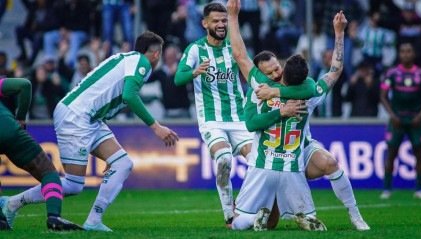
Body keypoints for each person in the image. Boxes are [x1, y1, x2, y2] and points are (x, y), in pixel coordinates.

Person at [1, 31, 179, 232]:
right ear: (156, 54)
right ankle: (12, 203)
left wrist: (106, 153)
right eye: (160, 53)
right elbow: (129, 95)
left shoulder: (126, 59)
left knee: (122, 163)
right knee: (73, 184)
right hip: (77, 116)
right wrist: (156, 127)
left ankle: (94, 221)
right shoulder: (141, 63)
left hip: (90, 118)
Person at [228, 1, 370, 231]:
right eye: (271, 71)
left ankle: (354, 215)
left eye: (278, 68)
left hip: (291, 152)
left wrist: (233, 17)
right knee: (272, 221)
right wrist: (339, 34)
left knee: (330, 163)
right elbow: (334, 71)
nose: (276, 72)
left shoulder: (261, 88)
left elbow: (240, 55)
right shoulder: (309, 93)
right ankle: (287, 214)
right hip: (284, 159)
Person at [174, 2, 316, 227]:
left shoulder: (233, 47)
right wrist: (194, 72)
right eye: (216, 21)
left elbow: (249, 65)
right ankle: (230, 215)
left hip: (239, 117)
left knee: (260, 162)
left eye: (223, 21)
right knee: (223, 159)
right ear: (204, 23)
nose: (221, 25)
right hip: (212, 119)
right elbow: (177, 79)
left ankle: (264, 212)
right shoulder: (195, 50)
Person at [0, 77, 83, 231]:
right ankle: (54, 217)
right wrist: (20, 117)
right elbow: (24, 85)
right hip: (8, 130)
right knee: (47, 172)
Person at [380, 42, 421, 200]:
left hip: (416, 119)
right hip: (397, 118)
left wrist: (420, 115)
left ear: (413, 54)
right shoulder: (392, 73)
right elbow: (383, 96)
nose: (406, 54)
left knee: (419, 153)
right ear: (399, 54)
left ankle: (419, 188)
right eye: (403, 51)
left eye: (409, 51)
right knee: (391, 153)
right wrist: (392, 115)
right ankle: (387, 188)